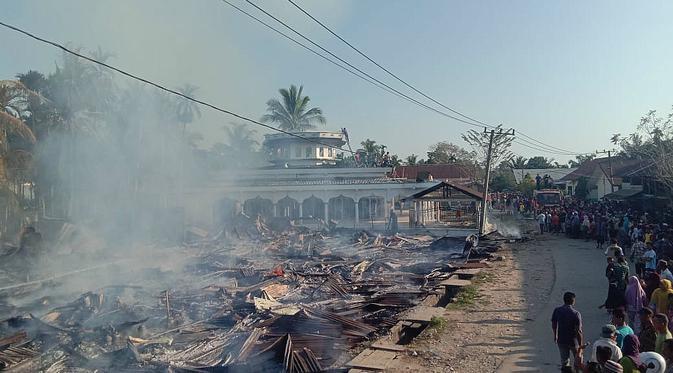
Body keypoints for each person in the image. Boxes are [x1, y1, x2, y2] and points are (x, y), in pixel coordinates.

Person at [552, 292, 584, 370]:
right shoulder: (576, 314)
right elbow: (578, 331)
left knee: (565, 362)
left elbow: (554, 324)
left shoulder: (557, 310)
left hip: (561, 339)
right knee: (578, 361)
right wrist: (581, 345)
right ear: (573, 301)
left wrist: (555, 335)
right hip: (573, 341)